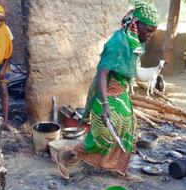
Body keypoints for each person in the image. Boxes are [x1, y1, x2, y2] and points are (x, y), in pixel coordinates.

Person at [56, 1, 158, 180]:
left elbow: (129, 71)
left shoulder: (134, 42)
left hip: (122, 94)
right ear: (136, 23)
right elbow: (102, 74)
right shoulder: (118, 42)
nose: (150, 35)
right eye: (148, 30)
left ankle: (119, 170)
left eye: (153, 32)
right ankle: (65, 156)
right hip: (107, 95)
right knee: (101, 137)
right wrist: (105, 105)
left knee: (128, 130)